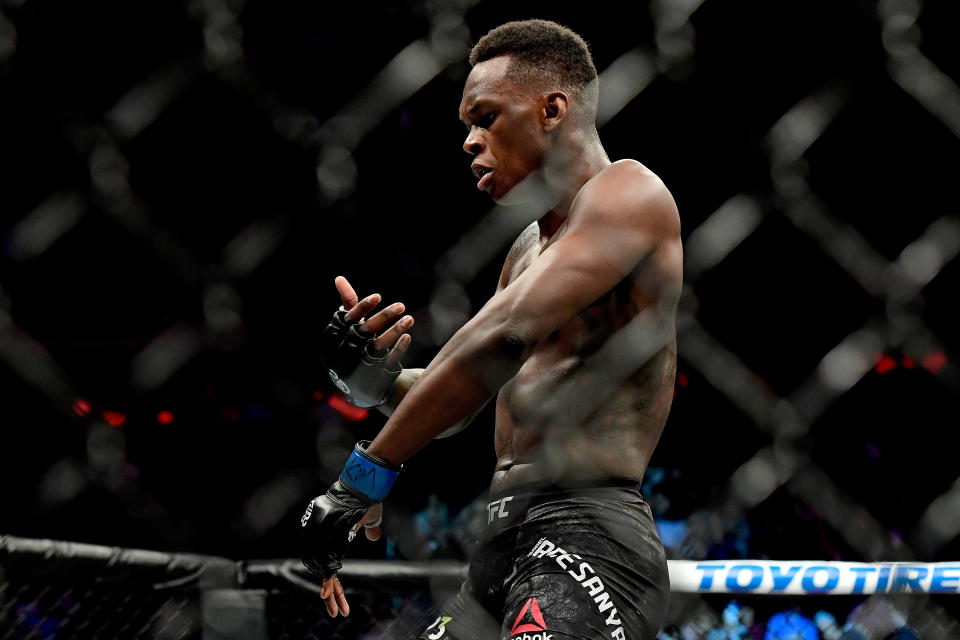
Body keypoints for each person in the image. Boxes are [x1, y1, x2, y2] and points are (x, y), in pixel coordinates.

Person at [301, 19, 683, 640]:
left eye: (485, 117)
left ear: (552, 109)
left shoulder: (629, 194)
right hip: (500, 541)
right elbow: (467, 402)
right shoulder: (528, 249)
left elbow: (500, 337)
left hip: (587, 535)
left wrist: (363, 477)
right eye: (466, 126)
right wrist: (375, 383)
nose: (469, 142)